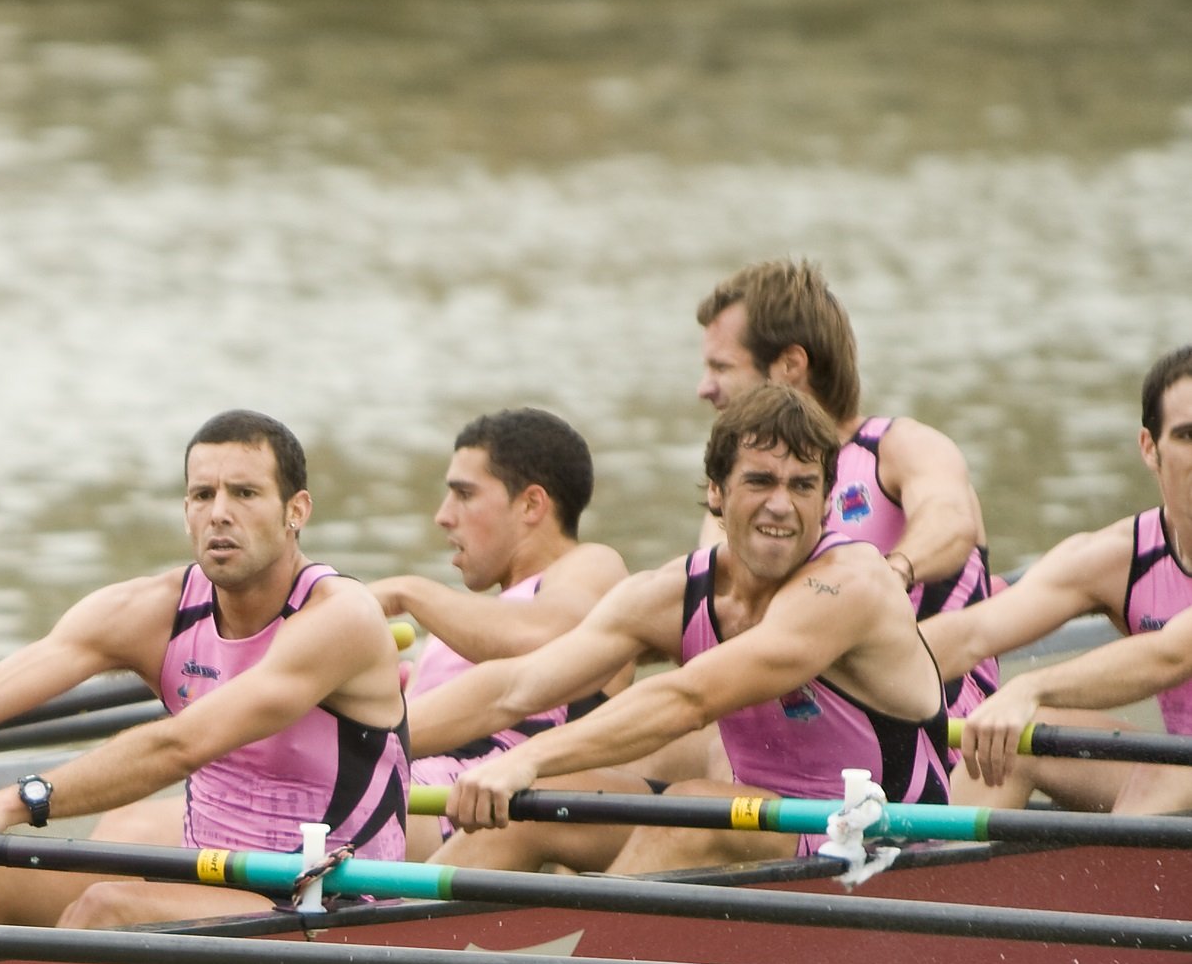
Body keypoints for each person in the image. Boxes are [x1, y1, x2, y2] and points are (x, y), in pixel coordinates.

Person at [0, 411, 408, 930]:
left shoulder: (340, 617)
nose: (219, 512)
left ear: (297, 510)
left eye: (245, 493)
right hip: (215, 877)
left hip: (331, 898)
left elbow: (179, 746)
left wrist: (8, 803)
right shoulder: (154, 610)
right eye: (202, 494)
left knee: (109, 909)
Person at [424, 385, 951, 874]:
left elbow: (689, 698)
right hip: (770, 831)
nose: (781, 505)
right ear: (717, 494)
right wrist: (379, 733)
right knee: (534, 807)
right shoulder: (677, 591)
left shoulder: (850, 585)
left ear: (828, 502)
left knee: (691, 808)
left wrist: (525, 756)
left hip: (888, 850)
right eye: (760, 481)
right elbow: (516, 687)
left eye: (802, 486)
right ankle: (393, 958)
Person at [696, 257, 1000, 714]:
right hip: (800, 718)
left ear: (790, 366)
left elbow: (952, 523)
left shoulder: (902, 447)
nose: (705, 388)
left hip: (934, 721)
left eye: (721, 367)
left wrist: (889, 574)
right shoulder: (741, 493)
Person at [920, 343, 1192, 813]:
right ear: (1150, 448)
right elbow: (972, 633)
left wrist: (1028, 687)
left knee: (1160, 784)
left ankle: (1116, 877)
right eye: (1188, 436)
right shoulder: (1118, 555)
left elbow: (1169, 654)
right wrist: (826, 679)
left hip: (1175, 777)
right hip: (1177, 765)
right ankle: (924, 877)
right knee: (1014, 743)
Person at [373, 409, 628, 859]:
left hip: (482, 799)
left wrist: (407, 591)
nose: (443, 517)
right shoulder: (476, 616)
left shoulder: (589, 565)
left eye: (464, 495)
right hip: (413, 780)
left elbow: (548, 634)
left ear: (531, 504)